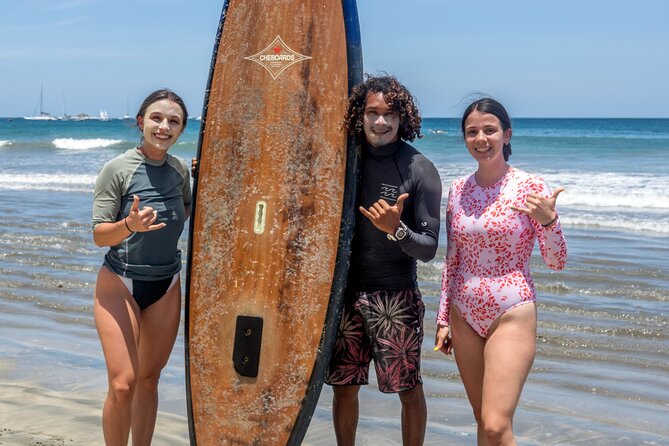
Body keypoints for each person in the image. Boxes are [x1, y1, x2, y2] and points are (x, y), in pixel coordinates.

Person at [434, 98, 567, 445]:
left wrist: (550, 222)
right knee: (482, 421)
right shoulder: (458, 189)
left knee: (495, 423)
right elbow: (453, 258)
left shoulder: (530, 186)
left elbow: (556, 261)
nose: (481, 138)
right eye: (472, 132)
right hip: (464, 314)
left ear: (506, 135)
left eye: (490, 130)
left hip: (511, 312)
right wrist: (443, 317)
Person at [325, 75, 442, 446]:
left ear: (402, 117)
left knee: (407, 389)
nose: (380, 122)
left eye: (389, 114)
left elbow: (428, 249)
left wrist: (396, 229)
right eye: (372, 113)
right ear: (360, 115)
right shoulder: (344, 157)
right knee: (343, 387)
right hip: (343, 294)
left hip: (395, 296)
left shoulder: (418, 168)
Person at [92, 89, 191, 446]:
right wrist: (129, 226)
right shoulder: (116, 169)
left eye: (173, 121)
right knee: (123, 384)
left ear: (181, 129)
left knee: (149, 380)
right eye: (157, 118)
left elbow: (184, 210)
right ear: (141, 122)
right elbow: (99, 235)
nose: (164, 126)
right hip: (120, 283)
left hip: (166, 285)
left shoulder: (180, 170)